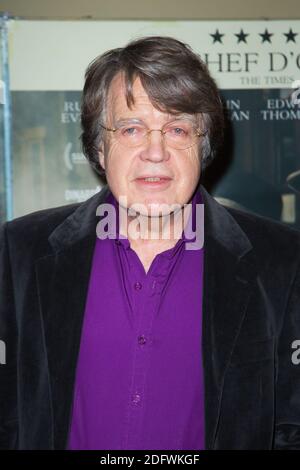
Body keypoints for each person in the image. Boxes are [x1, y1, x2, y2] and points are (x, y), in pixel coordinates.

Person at [1, 36, 300, 451]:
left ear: (204, 144)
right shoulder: (16, 255)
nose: (155, 151)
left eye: (177, 128)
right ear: (100, 148)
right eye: (131, 128)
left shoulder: (283, 262)